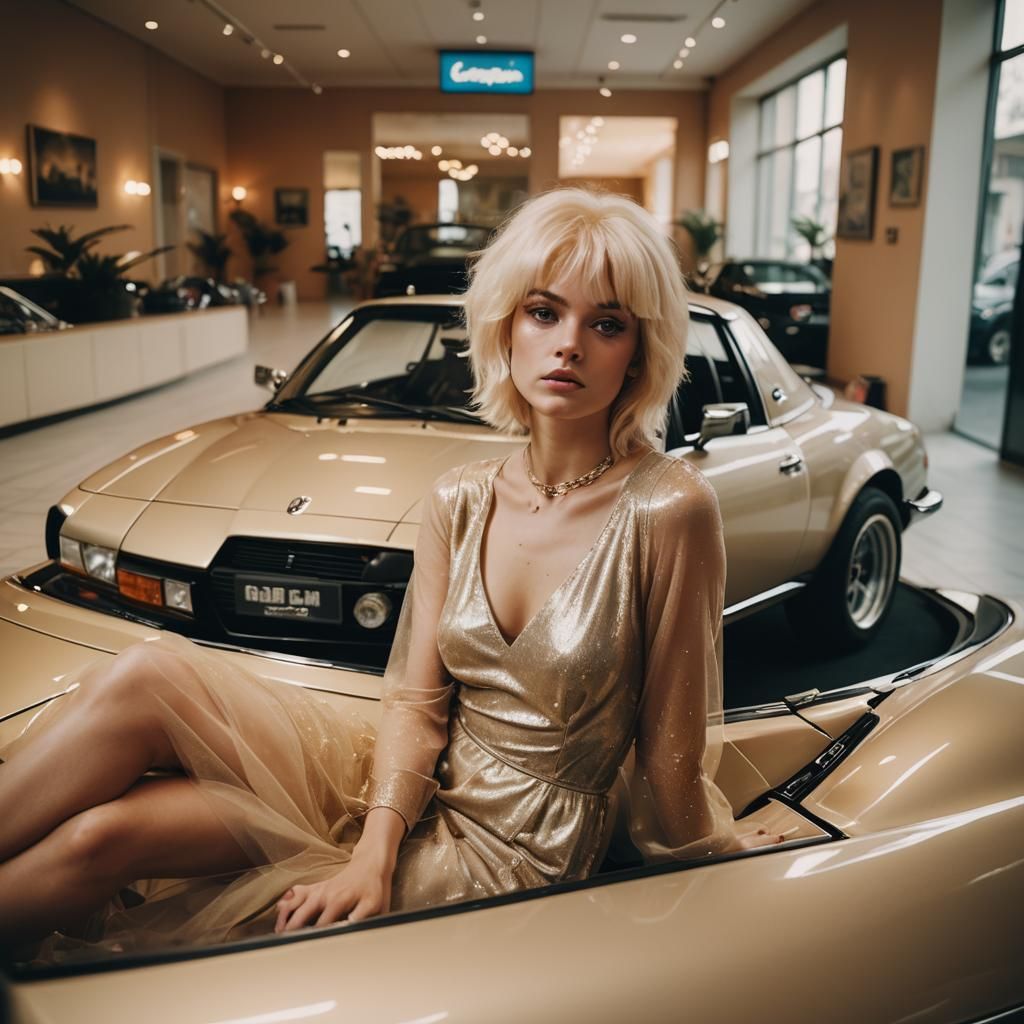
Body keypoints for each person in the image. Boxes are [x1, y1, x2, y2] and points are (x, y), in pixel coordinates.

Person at [0, 188, 782, 957]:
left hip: (513, 842)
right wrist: (373, 850)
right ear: (505, 325)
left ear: (640, 352)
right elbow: (415, 701)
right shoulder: (461, 495)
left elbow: (669, 753)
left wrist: (718, 851)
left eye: (605, 324)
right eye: (545, 312)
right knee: (144, 674)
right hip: (389, 773)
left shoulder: (670, 509)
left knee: (103, 837)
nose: (568, 343)